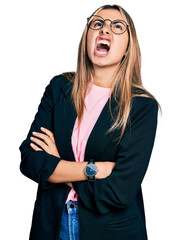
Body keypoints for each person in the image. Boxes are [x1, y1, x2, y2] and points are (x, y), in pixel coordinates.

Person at [19, 4, 160, 240]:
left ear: (128, 48)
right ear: (87, 38)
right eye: (97, 23)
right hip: (52, 225)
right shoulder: (59, 88)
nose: (105, 30)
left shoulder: (141, 106)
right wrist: (94, 170)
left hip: (111, 231)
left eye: (117, 26)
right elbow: (31, 160)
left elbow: (119, 191)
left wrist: (59, 166)